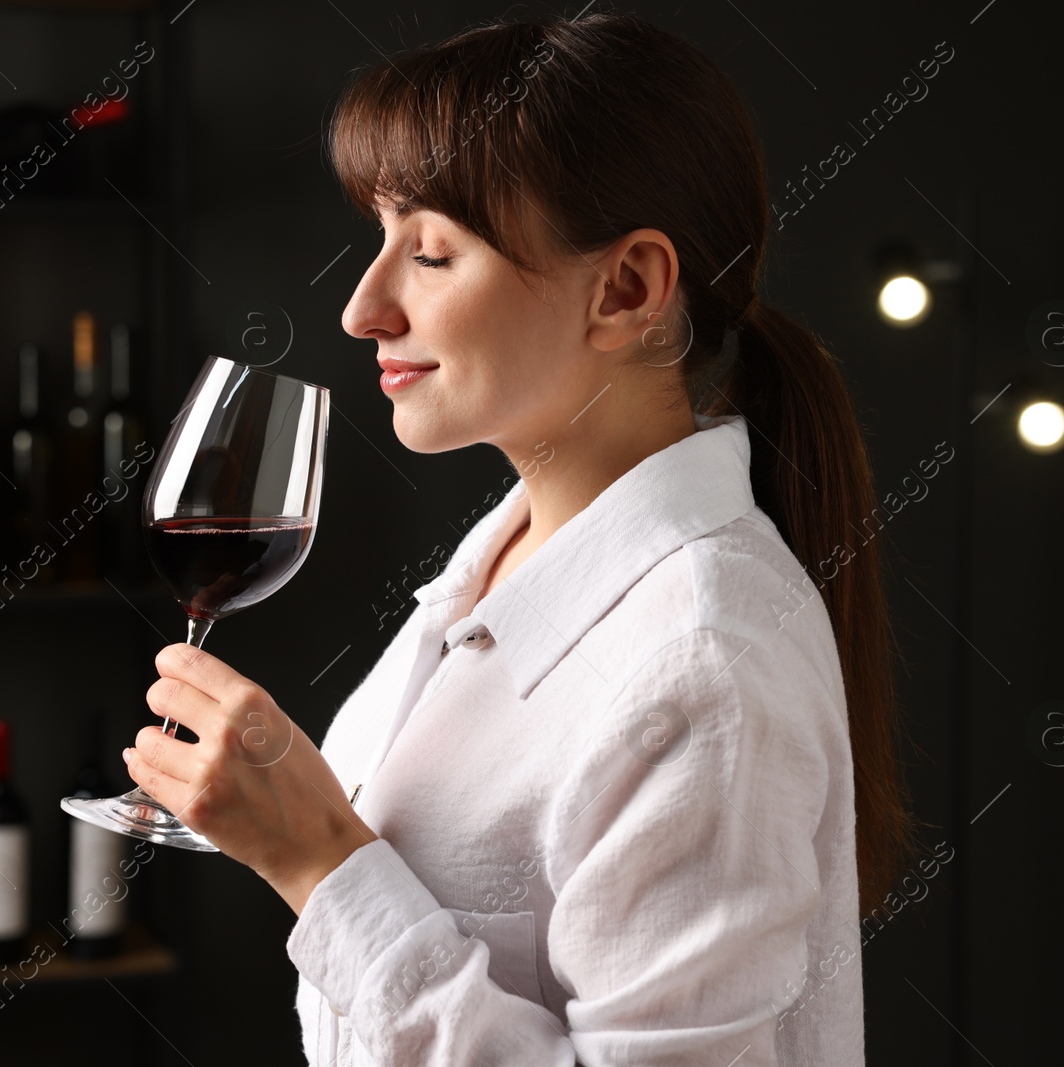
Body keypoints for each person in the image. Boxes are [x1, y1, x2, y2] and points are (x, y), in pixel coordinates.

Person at [122, 11, 921, 1065]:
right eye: (380, 238)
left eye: (434, 252)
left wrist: (319, 861)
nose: (364, 307)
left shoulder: (702, 656)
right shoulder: (496, 571)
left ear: (625, 289)